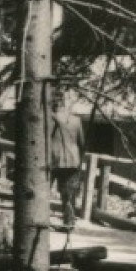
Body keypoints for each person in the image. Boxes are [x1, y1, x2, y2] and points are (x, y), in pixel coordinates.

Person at [48, 97, 87, 230]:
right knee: (68, 194)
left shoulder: (49, 118)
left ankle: (41, 219)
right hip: (73, 161)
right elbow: (82, 143)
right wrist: (78, 159)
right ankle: (69, 222)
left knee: (44, 190)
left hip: (52, 160)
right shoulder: (76, 120)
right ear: (64, 104)